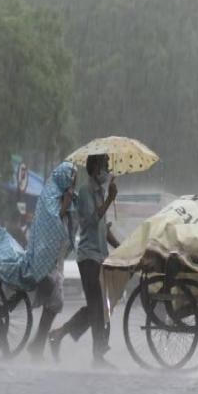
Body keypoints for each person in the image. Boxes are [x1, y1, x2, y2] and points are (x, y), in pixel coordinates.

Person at [48, 154, 119, 367]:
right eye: (105, 165)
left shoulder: (101, 192)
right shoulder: (87, 192)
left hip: (101, 255)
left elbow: (102, 229)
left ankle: (59, 334)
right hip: (88, 257)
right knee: (97, 306)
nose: (107, 170)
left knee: (99, 307)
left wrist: (121, 247)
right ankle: (98, 356)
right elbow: (89, 221)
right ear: (96, 167)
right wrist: (109, 200)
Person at [26, 162, 77, 359]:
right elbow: (54, 223)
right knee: (56, 301)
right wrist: (66, 203)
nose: (73, 181)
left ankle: (37, 344)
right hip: (46, 258)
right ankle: (37, 343)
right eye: (71, 176)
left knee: (54, 303)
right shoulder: (51, 195)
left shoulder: (62, 195)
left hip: (57, 259)